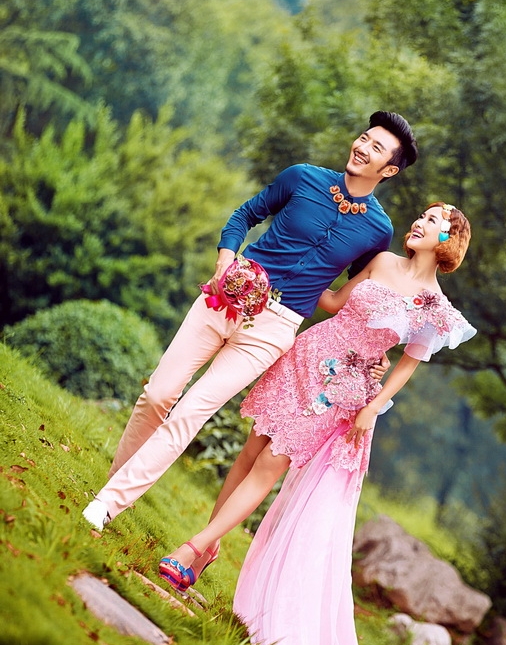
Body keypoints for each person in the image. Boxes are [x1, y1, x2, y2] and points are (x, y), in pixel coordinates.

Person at [159, 202, 476, 645]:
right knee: (250, 450)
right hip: (308, 353)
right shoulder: (379, 260)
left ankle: (193, 547)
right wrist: (301, 272)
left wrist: (373, 407)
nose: (420, 221)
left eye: (435, 219)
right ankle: (210, 548)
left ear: (450, 239)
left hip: (344, 389)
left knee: (271, 465)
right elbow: (332, 304)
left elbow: (407, 365)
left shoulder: (437, 310)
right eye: (423, 212)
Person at [82, 111, 418, 535]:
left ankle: (107, 504)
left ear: (389, 170)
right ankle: (115, 482)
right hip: (227, 295)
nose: (362, 147)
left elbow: (356, 294)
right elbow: (244, 215)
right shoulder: (302, 176)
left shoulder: (377, 231)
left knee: (192, 411)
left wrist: (373, 352)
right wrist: (225, 262)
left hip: (274, 329)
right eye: (364, 138)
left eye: (376, 147)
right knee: (158, 395)